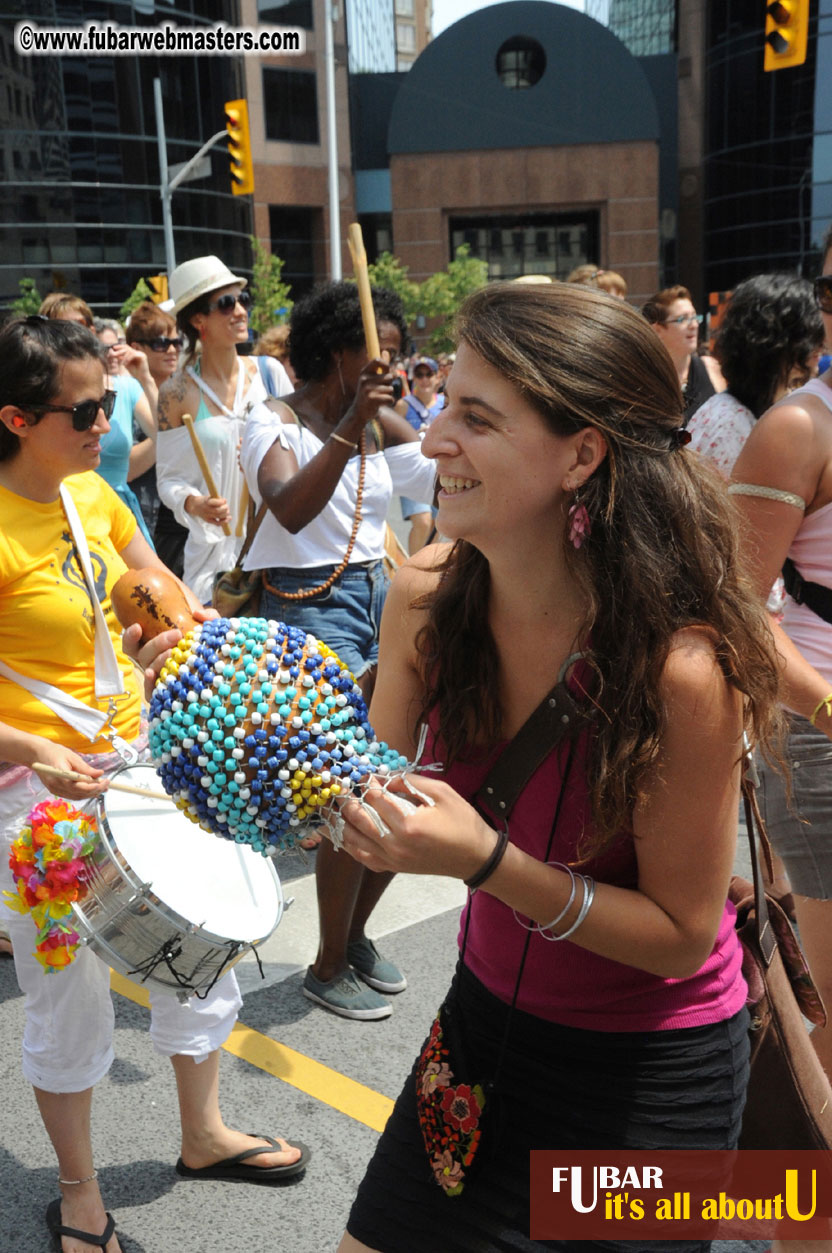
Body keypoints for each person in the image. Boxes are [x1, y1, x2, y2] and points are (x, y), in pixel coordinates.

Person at [332, 281, 783, 1253]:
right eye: (442, 402)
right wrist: (235, 689)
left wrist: (487, 862)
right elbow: (356, 802)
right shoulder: (421, 598)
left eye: (476, 416)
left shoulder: (680, 670)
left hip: (650, 1080)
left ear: (582, 454)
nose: (432, 439)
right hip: (478, 1031)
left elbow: (675, 935)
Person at [0, 316, 308, 1253]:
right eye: (84, 410)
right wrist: (34, 750)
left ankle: (203, 1133)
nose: (109, 422)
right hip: (37, 794)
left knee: (203, 943)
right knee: (67, 995)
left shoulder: (96, 492)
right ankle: (81, 1188)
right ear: (14, 417)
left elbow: (148, 575)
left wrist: (178, 618)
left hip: (141, 762)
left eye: (108, 401)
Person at [239, 279, 437, 1021]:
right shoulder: (274, 421)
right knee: (348, 792)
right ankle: (324, 964)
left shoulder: (378, 420)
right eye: (375, 345)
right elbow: (290, 507)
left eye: (395, 344)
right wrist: (354, 420)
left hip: (378, 596)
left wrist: (392, 413)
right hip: (306, 605)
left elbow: (437, 467)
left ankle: (352, 933)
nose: (391, 358)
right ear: (333, 351)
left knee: (402, 776)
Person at [731, 228, 832, 1085]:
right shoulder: (797, 429)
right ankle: (804, 1220)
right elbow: (737, 605)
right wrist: (827, 708)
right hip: (818, 733)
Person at [156, 255, 292, 605]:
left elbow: (300, 447)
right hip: (214, 556)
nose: (241, 311)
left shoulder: (269, 373)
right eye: (226, 303)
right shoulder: (175, 392)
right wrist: (195, 503)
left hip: (277, 546)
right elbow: (168, 480)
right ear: (198, 318)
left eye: (243, 300)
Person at [125, 301, 186, 562]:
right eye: (162, 343)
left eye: (176, 342)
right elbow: (125, 468)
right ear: (136, 348)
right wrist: (170, 437)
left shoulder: (187, 391)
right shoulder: (123, 396)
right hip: (143, 526)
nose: (172, 350)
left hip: (190, 523)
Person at [94, 318, 156, 546]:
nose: (111, 355)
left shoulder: (128, 387)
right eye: (104, 349)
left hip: (121, 506)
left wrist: (146, 378)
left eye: (116, 347)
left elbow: (162, 433)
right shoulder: (75, 390)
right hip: (82, 503)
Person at [642, 284, 725, 421]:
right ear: (658, 330)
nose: (693, 325)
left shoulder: (711, 368)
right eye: (683, 319)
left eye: (694, 317)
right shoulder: (645, 380)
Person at [396, 355, 444, 555]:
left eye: (429, 374)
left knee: (438, 524)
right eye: (419, 374)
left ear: (437, 378)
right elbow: (392, 437)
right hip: (412, 471)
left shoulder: (445, 402)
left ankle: (424, 567)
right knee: (422, 521)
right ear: (413, 378)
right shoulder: (403, 405)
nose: (424, 379)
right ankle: (411, 568)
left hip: (440, 471)